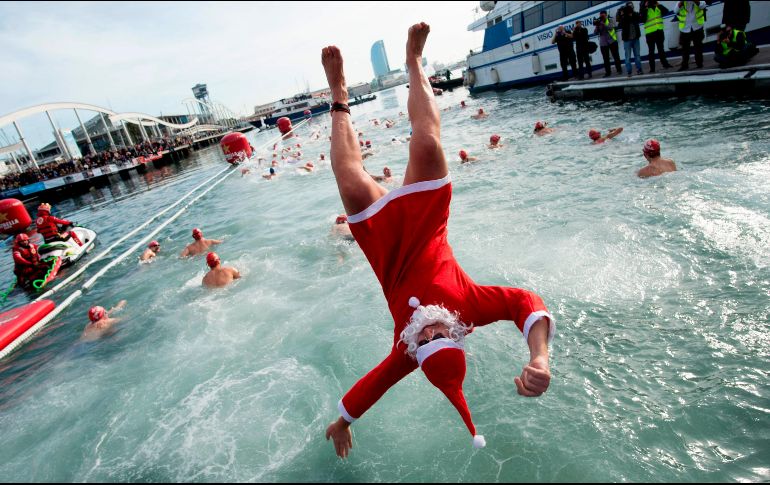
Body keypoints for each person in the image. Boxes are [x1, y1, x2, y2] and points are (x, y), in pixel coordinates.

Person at [321, 22, 554, 459]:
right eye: (438, 335)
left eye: (424, 341)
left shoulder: (405, 351)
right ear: (457, 334)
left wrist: (341, 422)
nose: (427, 332)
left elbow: (372, 386)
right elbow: (526, 302)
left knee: (349, 178)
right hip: (428, 224)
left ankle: (339, 95)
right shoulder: (470, 309)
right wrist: (540, 357)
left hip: (384, 247)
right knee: (427, 143)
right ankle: (413, 62)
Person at [640, 0, 673, 73]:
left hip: (659, 31)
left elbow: (666, 11)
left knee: (661, 49)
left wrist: (658, 4)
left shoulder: (658, 7)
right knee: (651, 52)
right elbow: (643, 19)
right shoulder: (644, 9)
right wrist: (645, 7)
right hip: (650, 33)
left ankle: (665, 64)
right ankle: (652, 68)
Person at [676, 1, 707, 70]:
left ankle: (699, 63)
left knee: (698, 46)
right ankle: (684, 65)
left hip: (697, 26)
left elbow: (703, 6)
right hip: (685, 28)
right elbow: (675, 10)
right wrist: (681, 2)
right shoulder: (681, 2)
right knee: (685, 49)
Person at [617, 2, 644, 76]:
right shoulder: (624, 17)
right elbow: (620, 24)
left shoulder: (635, 14)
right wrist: (622, 14)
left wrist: (632, 14)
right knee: (628, 57)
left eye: (631, 6)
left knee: (637, 56)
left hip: (635, 39)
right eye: (629, 6)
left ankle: (639, 70)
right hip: (627, 40)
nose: (630, 8)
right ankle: (629, 72)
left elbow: (640, 18)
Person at [594, 10, 623, 77]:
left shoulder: (610, 20)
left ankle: (619, 70)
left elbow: (610, 28)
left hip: (612, 41)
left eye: (603, 15)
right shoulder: (599, 22)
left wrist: (603, 23)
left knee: (616, 56)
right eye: (601, 16)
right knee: (606, 59)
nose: (602, 17)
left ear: (606, 15)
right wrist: (597, 25)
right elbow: (595, 33)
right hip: (603, 43)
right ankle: (608, 72)